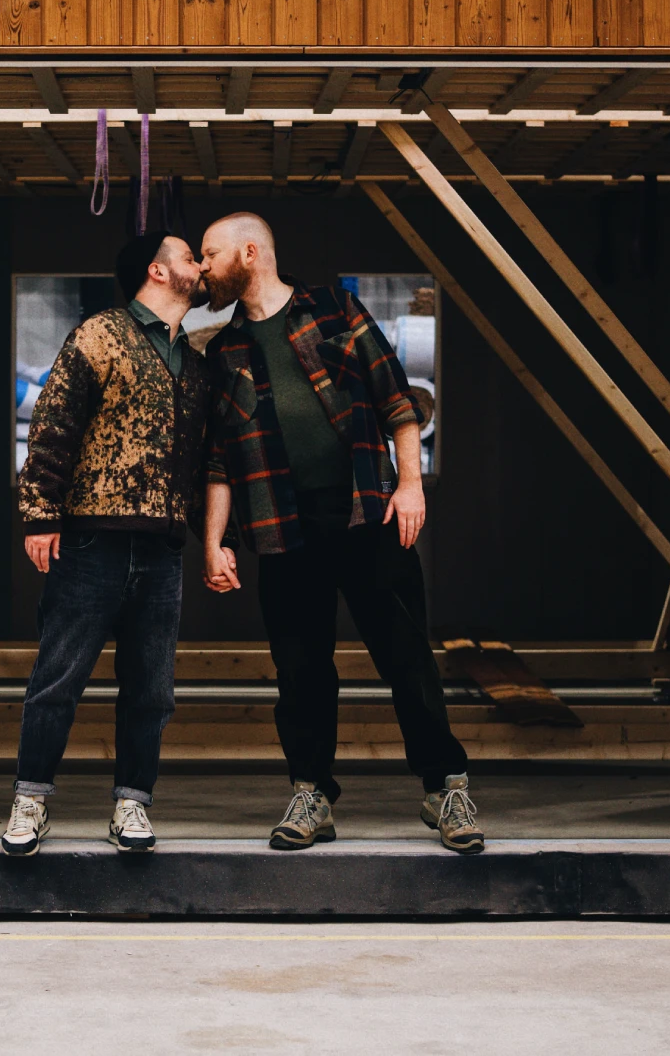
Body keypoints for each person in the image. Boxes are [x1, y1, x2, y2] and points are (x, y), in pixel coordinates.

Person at [196, 213, 483, 854]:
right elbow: (218, 463)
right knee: (300, 670)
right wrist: (216, 542)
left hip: (365, 513)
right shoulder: (223, 351)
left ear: (250, 252)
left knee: (404, 655)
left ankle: (446, 788)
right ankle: (311, 794)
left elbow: (398, 403)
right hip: (279, 525)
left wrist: (409, 486)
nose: (203, 268)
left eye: (211, 255)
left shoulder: (334, 309)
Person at [5, 231, 212, 856]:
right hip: (91, 539)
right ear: (158, 269)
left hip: (162, 550)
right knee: (58, 678)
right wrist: (40, 514)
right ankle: (30, 800)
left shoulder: (197, 363)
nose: (198, 265)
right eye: (188, 257)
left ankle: (132, 805)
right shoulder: (100, 334)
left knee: (151, 688)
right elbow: (54, 422)